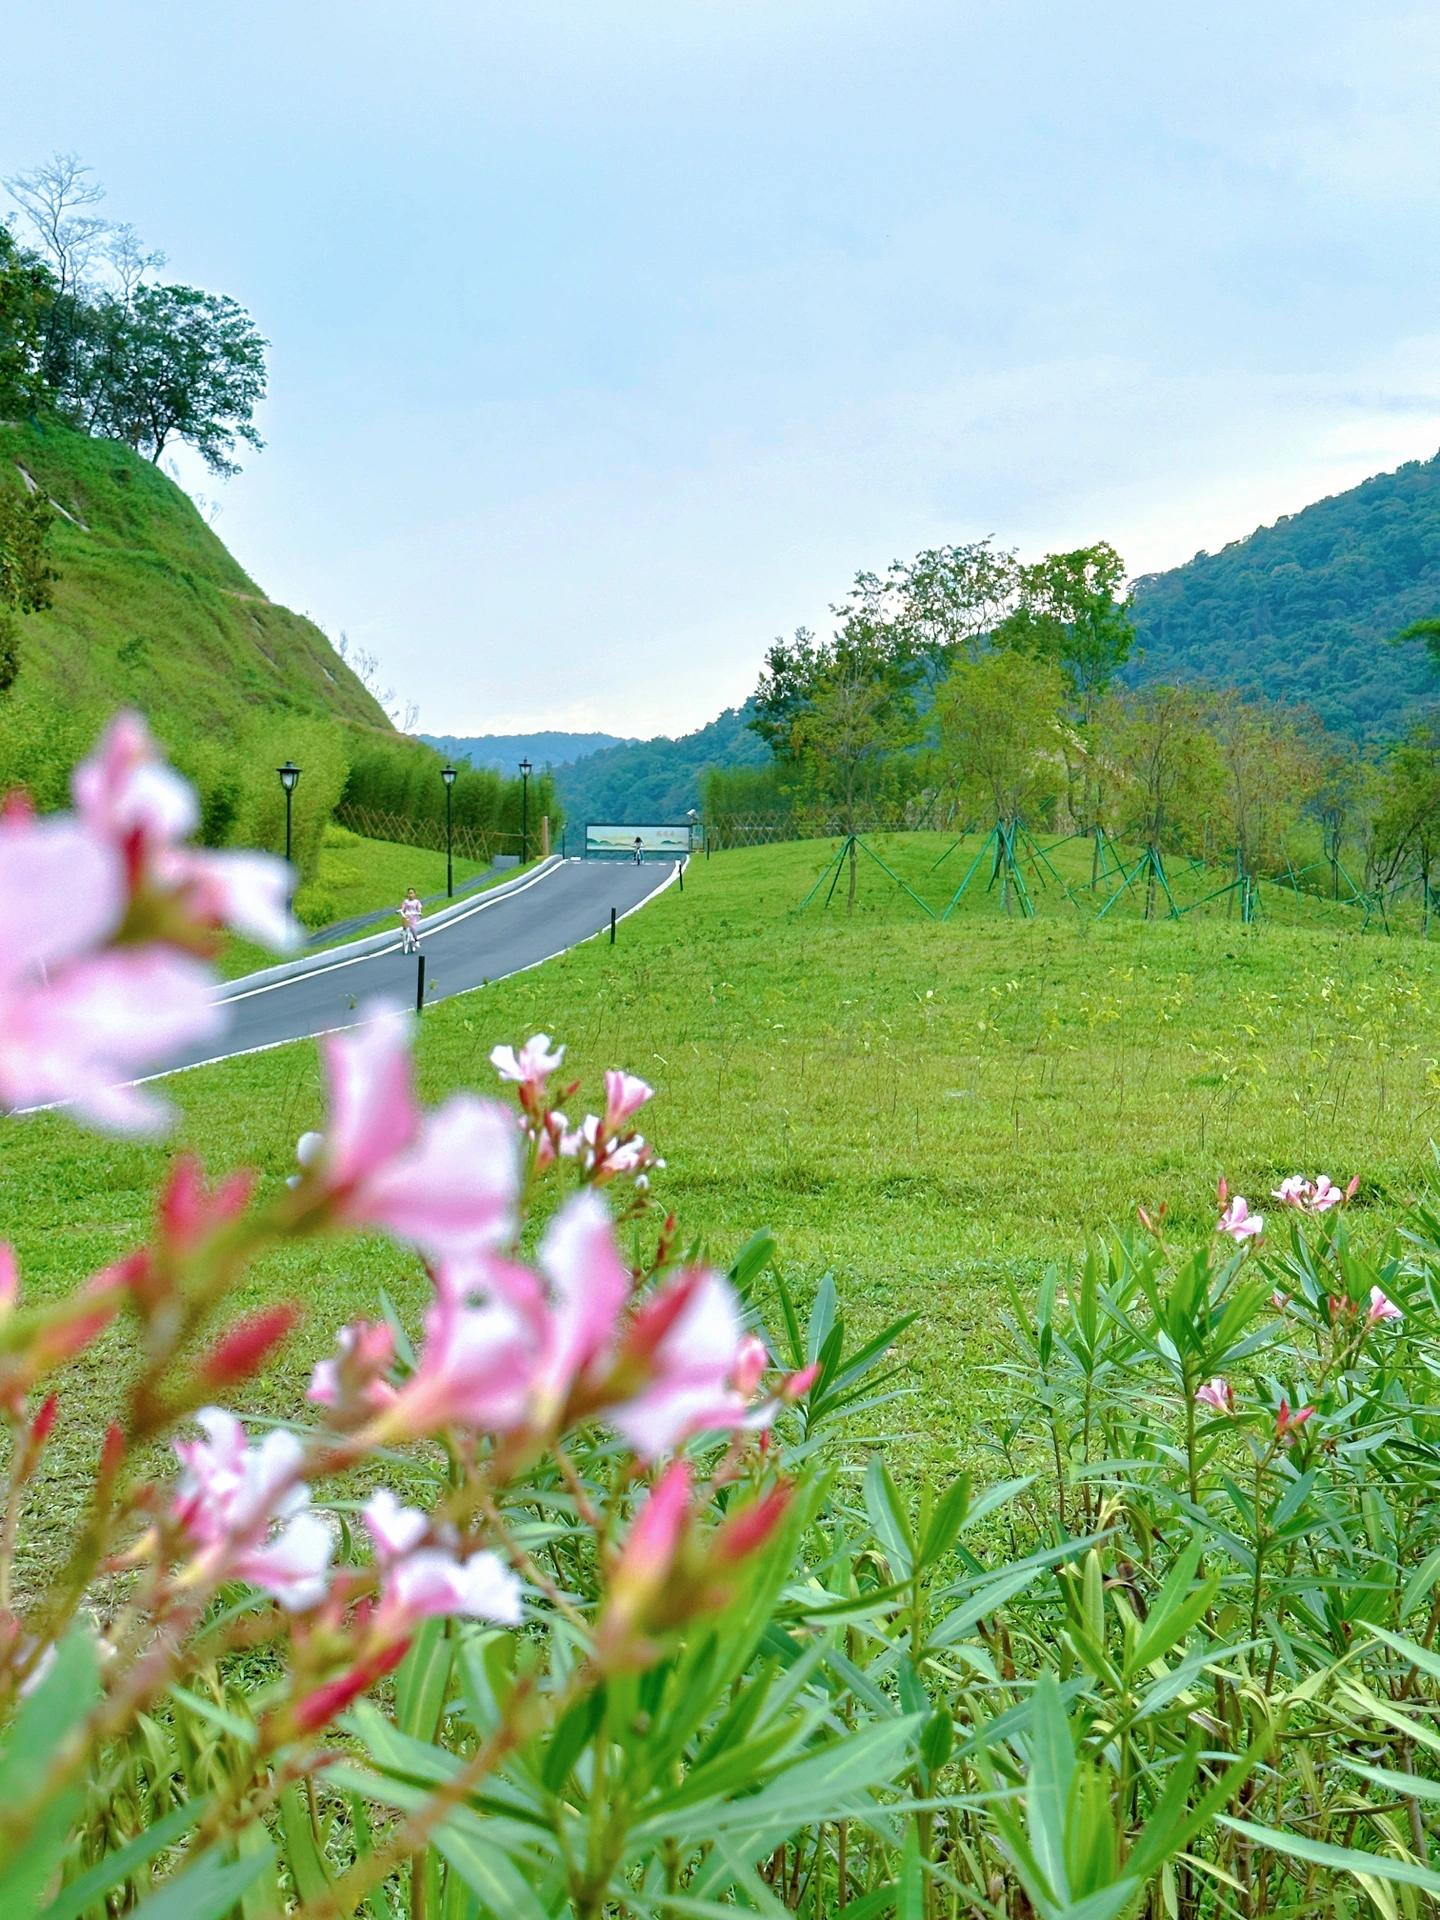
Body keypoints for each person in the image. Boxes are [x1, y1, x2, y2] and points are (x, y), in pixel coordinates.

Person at [399, 885, 422, 954]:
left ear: (414, 894)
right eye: (409, 893)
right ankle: (404, 932)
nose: (410, 895)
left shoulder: (417, 902)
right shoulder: (405, 901)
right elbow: (403, 908)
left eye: (412, 893)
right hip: (407, 915)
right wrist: (400, 911)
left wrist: (419, 913)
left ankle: (416, 940)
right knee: (404, 923)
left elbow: (419, 909)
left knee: (413, 928)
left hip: (414, 916)